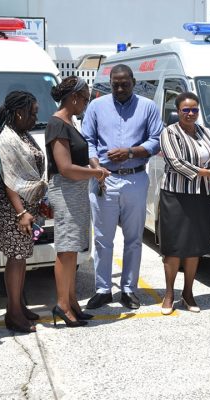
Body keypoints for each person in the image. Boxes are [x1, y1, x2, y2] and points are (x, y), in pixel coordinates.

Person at [82, 64, 162, 310]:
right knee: (103, 239)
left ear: (134, 81)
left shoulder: (148, 107)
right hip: (104, 179)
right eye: (115, 84)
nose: (119, 88)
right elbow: (88, 140)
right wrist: (97, 168)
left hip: (135, 179)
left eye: (124, 83)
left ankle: (129, 289)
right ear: (110, 83)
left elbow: (156, 141)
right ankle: (103, 289)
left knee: (134, 238)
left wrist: (130, 151)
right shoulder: (96, 106)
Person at [46, 76, 110, 326]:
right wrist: (96, 173)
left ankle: (72, 302)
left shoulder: (70, 122)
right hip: (66, 191)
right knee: (66, 251)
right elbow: (65, 167)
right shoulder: (57, 124)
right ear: (73, 98)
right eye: (84, 98)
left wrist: (94, 170)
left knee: (73, 250)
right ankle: (62, 305)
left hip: (76, 191)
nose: (86, 103)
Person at [158, 92, 210, 315]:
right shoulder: (169, 132)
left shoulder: (206, 132)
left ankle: (188, 293)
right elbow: (175, 163)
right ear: (178, 111)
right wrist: (208, 172)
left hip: (201, 195)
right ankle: (168, 294)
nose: (190, 113)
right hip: (176, 196)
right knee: (174, 248)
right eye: (186, 110)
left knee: (194, 247)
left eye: (194, 109)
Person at [0, 91, 47, 333]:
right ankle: (13, 313)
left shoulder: (22, 134)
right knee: (15, 259)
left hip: (27, 207)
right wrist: (20, 213)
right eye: (32, 113)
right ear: (19, 113)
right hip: (14, 209)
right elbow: (9, 180)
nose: (35, 117)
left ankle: (19, 305)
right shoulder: (7, 139)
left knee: (21, 259)